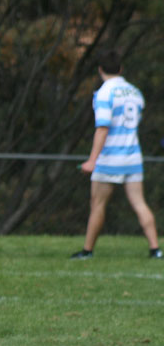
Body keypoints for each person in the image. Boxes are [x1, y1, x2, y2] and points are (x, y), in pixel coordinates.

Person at [71, 49, 161, 260]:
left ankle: (87, 251)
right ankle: (155, 249)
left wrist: (92, 160)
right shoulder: (135, 93)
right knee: (139, 203)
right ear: (121, 69)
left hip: (110, 158)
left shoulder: (104, 93)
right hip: (133, 156)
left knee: (98, 204)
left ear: (100, 69)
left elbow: (103, 128)